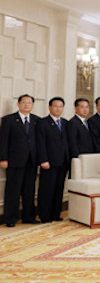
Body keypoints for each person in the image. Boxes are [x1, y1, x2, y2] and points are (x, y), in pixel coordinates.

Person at [0, 94, 40, 226]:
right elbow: (3, 141)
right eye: (24, 102)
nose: (26, 105)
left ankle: (28, 217)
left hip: (32, 161)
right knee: (13, 191)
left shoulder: (36, 120)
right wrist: (3, 158)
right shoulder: (8, 120)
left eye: (29, 103)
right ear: (18, 104)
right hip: (14, 161)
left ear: (32, 105)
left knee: (29, 190)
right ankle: (10, 219)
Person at [36, 97, 70, 223]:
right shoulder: (42, 122)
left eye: (61, 106)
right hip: (49, 162)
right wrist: (43, 160)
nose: (58, 109)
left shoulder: (65, 123)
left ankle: (56, 214)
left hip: (63, 162)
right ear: (49, 107)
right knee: (46, 189)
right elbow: (41, 143)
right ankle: (45, 215)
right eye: (55, 106)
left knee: (59, 189)